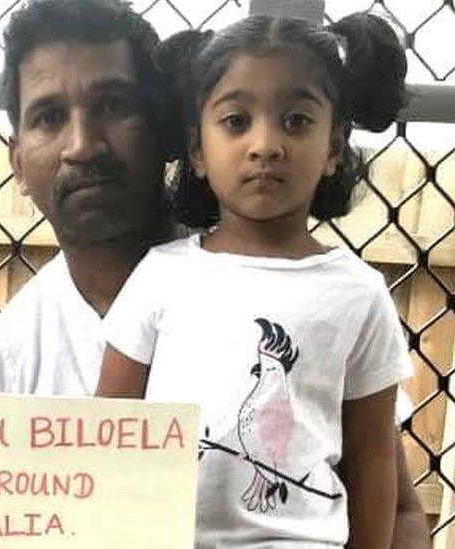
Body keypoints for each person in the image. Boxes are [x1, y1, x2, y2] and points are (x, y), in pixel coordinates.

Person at [0, 0, 430, 547]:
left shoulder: (329, 293)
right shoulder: (2, 364)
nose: (82, 145)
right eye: (48, 117)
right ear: (16, 159)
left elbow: (394, 507)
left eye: (113, 105)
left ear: (167, 130)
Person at [96, 12, 411, 547]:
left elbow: (372, 456)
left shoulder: (359, 293)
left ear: (334, 147)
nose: (265, 144)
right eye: (237, 121)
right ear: (197, 150)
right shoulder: (162, 275)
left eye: (296, 120)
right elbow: (107, 431)